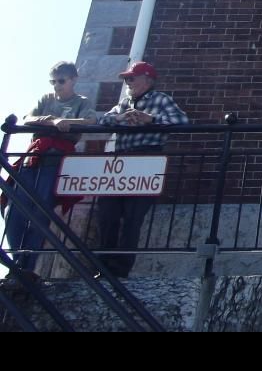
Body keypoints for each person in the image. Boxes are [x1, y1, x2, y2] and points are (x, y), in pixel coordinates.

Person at [2, 61, 96, 282]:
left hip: (57, 157)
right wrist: (53, 120)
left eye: (61, 81)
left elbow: (91, 120)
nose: (57, 86)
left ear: (73, 80)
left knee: (40, 211)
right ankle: (17, 261)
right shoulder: (46, 99)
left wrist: (67, 122)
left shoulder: (81, 102)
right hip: (34, 156)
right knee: (13, 209)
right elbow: (28, 118)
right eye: (53, 81)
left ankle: (28, 264)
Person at [94, 61, 188, 278]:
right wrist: (120, 118)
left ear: (147, 79)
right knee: (107, 214)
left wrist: (150, 119)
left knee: (132, 217)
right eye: (127, 79)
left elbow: (181, 121)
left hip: (147, 158)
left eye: (132, 78)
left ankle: (120, 268)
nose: (128, 82)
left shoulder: (160, 99)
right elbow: (102, 121)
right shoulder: (123, 104)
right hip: (121, 162)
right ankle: (103, 266)